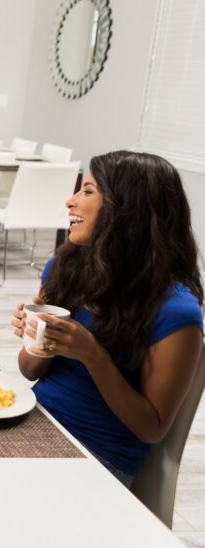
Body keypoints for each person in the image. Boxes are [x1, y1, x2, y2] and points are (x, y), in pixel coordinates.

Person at [12, 151, 204, 487]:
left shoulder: (177, 312)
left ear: (127, 209)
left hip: (98, 458)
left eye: (87, 191)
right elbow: (29, 370)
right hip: (34, 421)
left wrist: (92, 354)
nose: (70, 201)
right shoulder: (66, 268)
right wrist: (39, 337)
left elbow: (152, 428)